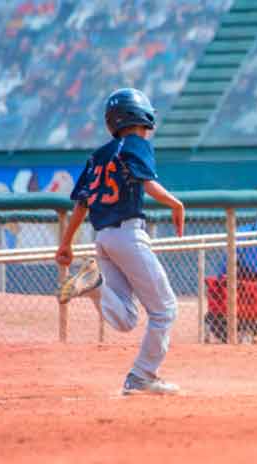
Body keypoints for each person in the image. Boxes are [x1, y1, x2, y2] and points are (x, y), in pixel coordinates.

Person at [54, 87, 185, 396]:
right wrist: (175, 203)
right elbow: (146, 181)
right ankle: (142, 376)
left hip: (103, 238)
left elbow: (82, 204)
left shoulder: (98, 155)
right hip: (128, 234)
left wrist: (66, 243)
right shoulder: (136, 143)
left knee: (126, 319)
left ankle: (95, 288)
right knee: (165, 309)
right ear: (143, 117)